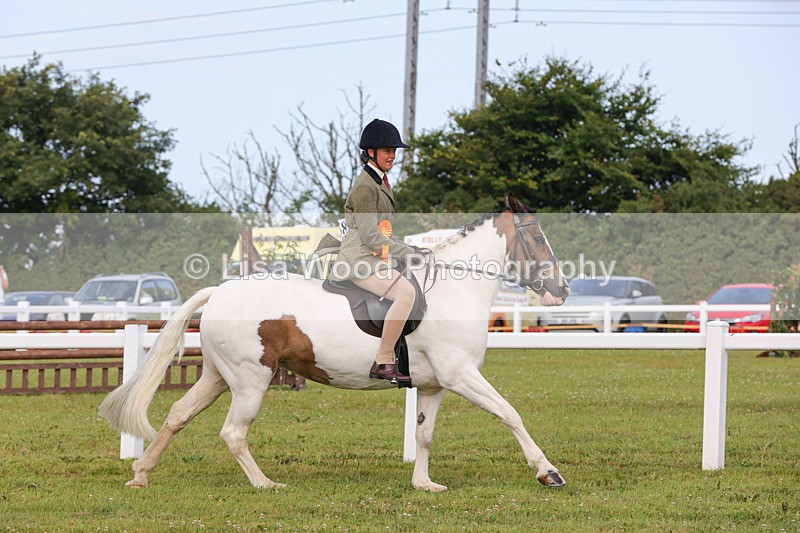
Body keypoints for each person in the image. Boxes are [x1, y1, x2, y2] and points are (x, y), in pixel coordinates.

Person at [331, 119, 421, 383]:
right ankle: (383, 360)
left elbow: (383, 232)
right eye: (386, 150)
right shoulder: (365, 187)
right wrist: (406, 251)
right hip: (359, 260)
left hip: (374, 258)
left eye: (394, 150)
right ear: (371, 152)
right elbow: (371, 237)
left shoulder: (379, 182)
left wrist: (406, 250)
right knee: (406, 294)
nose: (392, 155)